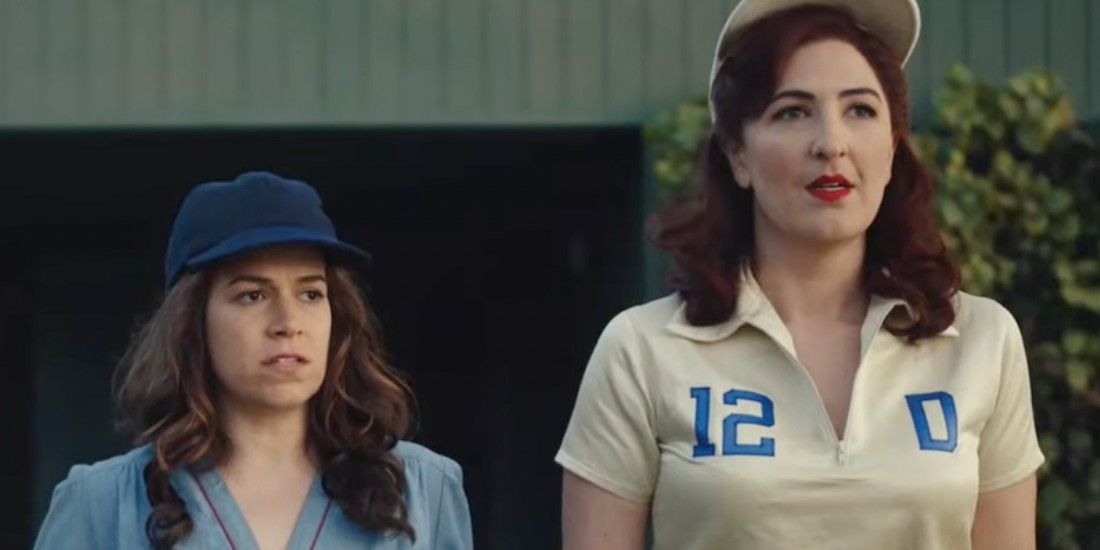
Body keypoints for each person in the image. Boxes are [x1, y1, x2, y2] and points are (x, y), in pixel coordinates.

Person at [556, 1, 1044, 548]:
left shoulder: (983, 339)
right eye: (792, 111)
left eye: (860, 110)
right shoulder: (641, 350)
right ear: (738, 154)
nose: (831, 143)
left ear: (891, 148)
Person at [34, 171, 473, 549]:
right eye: (253, 295)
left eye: (310, 294)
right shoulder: (104, 503)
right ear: (193, 320)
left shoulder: (422, 488)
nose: (288, 322)